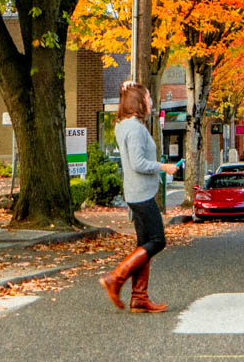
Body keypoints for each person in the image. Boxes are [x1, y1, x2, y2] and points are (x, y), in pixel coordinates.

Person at [101, 82, 179, 313]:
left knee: (144, 244)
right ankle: (116, 277)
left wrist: (127, 86)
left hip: (135, 193)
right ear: (139, 102)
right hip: (142, 194)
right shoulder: (135, 129)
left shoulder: (122, 125)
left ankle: (139, 297)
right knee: (157, 241)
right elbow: (138, 163)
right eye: (148, 98)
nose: (151, 102)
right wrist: (163, 167)